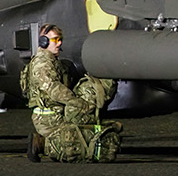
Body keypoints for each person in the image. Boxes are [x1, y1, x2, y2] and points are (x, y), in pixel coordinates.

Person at [20, 23, 123, 163]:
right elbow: (53, 89)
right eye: (55, 39)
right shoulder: (42, 63)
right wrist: (78, 103)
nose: (59, 43)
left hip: (57, 113)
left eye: (60, 39)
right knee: (76, 146)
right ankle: (43, 144)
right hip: (51, 119)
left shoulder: (51, 61)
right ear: (43, 42)